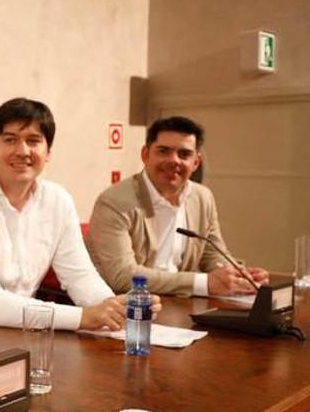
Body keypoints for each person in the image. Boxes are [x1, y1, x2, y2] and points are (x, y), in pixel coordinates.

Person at [0, 98, 142, 333]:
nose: (23, 151)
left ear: (48, 152)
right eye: (10, 140)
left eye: (34, 141)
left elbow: (79, 276)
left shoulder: (57, 200)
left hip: (18, 333)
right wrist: (83, 317)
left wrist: (113, 308)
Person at [86, 116, 268, 296]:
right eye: (163, 151)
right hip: (129, 308)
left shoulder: (202, 197)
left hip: (180, 303)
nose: (174, 160)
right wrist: (203, 283)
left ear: (196, 162)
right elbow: (122, 276)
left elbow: (212, 255)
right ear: (145, 154)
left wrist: (238, 276)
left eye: (184, 154)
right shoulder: (114, 202)